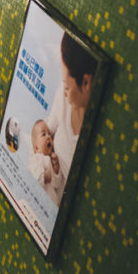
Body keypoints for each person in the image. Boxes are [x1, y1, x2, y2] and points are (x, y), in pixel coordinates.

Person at [44, 32, 97, 202]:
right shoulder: (63, 96)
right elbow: (43, 131)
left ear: (86, 83)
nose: (64, 91)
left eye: (67, 86)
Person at [29, 119, 64, 205]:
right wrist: (44, 176)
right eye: (43, 134)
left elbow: (57, 184)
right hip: (38, 201)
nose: (48, 136)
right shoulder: (36, 158)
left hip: (52, 203)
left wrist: (56, 169)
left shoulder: (51, 159)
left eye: (49, 134)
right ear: (36, 148)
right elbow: (33, 176)